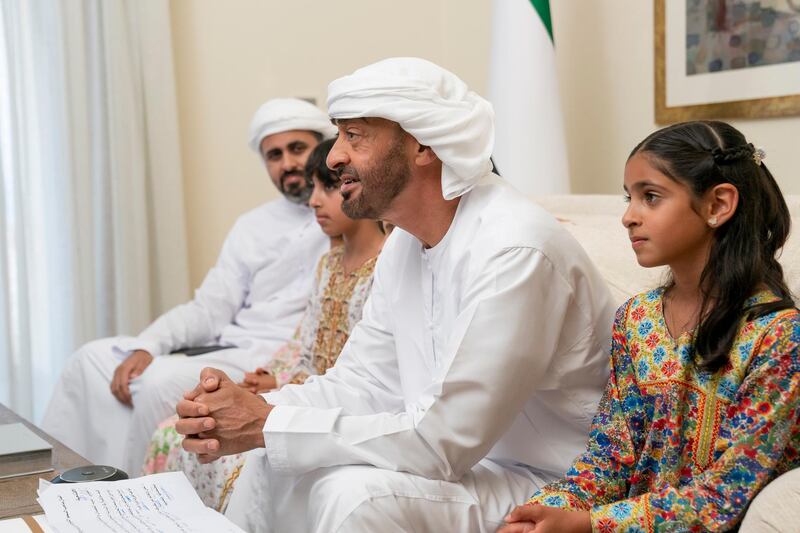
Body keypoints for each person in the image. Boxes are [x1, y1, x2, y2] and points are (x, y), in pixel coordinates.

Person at [173, 57, 616, 533]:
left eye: (355, 137)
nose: (334, 157)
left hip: (556, 482)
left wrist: (267, 424)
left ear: (423, 144)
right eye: (338, 135)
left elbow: (443, 441)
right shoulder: (405, 241)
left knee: (352, 498)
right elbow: (364, 383)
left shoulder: (514, 249)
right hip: (474, 467)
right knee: (276, 461)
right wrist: (250, 409)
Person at [501, 121, 800, 533]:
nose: (627, 217)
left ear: (717, 205)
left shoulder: (779, 337)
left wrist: (590, 524)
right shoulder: (636, 321)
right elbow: (608, 458)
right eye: (629, 198)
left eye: (650, 197)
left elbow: (726, 496)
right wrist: (544, 511)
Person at [41, 98, 336, 475]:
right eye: (274, 155)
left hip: (266, 358)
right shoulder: (252, 225)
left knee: (158, 383)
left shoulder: (349, 216)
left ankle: (126, 497)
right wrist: (148, 344)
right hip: (226, 345)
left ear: (324, 150)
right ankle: (54, 482)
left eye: (297, 148)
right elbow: (209, 307)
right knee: (90, 360)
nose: (288, 163)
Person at [141, 138, 385, 512]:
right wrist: (272, 375)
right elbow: (305, 342)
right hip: (302, 388)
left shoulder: (386, 266)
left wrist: (283, 387)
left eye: (330, 187)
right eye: (315, 187)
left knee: (232, 450)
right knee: (175, 432)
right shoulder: (328, 265)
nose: (314, 200)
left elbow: (361, 369)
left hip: (339, 405)